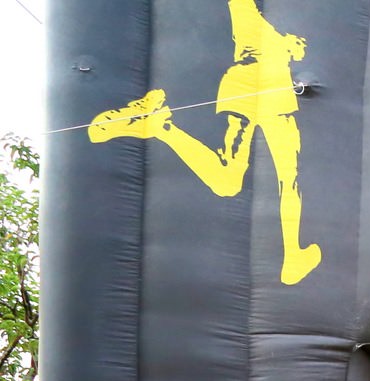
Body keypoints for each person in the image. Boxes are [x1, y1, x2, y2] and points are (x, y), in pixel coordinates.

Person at [86, 0, 323, 285]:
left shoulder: (262, 18)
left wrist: (288, 44)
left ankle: (162, 128)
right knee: (288, 177)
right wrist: (287, 43)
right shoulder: (251, 13)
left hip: (252, 84)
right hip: (262, 84)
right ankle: (293, 255)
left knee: (229, 181)